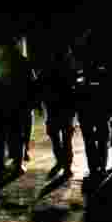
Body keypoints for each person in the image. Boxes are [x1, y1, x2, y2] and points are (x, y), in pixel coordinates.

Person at [0, 39, 38, 174]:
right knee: (15, 135)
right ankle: (16, 165)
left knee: (1, 135)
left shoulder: (1, 63)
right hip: (16, 105)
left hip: (3, 105)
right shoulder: (23, 63)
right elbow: (32, 84)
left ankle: (2, 164)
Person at [74, 31, 112, 179]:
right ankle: (100, 168)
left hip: (88, 106)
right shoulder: (105, 60)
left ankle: (95, 168)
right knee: (100, 138)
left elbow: (77, 84)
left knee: (91, 140)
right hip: (99, 106)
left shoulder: (83, 61)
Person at [40, 46, 77, 178]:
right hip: (64, 108)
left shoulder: (48, 68)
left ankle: (62, 163)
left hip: (55, 108)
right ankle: (66, 166)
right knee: (65, 139)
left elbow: (41, 86)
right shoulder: (69, 68)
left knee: (58, 139)